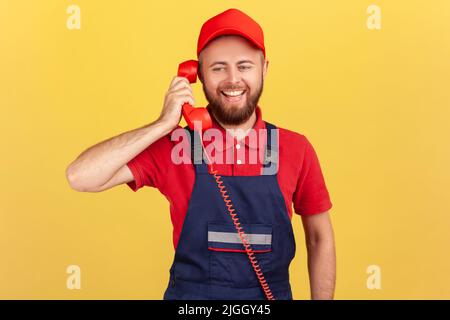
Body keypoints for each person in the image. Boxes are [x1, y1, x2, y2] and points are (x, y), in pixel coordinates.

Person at [66, 8, 336, 300]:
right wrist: (162, 124)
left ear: (264, 69)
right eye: (218, 67)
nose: (233, 79)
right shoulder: (174, 145)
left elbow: (319, 238)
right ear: (196, 75)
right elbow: (80, 177)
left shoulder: (296, 149)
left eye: (244, 66)